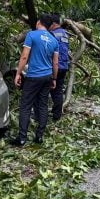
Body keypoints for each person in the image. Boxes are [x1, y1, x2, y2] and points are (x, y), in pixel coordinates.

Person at [10, 14, 59, 146]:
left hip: (33, 76)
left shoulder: (32, 35)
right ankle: (39, 136)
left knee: (26, 106)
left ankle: (21, 137)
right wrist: (54, 78)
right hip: (47, 76)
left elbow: (24, 56)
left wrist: (18, 73)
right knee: (43, 105)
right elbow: (55, 63)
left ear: (38, 22)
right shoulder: (54, 40)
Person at [47, 14, 71, 121]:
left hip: (55, 66)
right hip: (64, 65)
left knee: (51, 89)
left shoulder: (52, 34)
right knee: (58, 90)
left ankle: (55, 115)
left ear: (53, 24)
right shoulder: (65, 34)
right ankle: (56, 112)